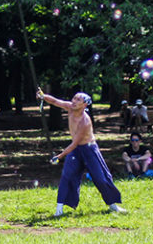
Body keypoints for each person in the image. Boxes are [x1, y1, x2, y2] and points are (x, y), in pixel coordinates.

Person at [37, 87, 125, 216]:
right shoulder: (70, 108)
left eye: (78, 99)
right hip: (76, 151)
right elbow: (55, 101)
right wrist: (43, 97)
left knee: (101, 178)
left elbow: (75, 143)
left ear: (85, 104)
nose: (74, 101)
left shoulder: (85, 121)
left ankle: (112, 205)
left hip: (89, 149)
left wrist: (59, 156)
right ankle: (59, 210)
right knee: (67, 176)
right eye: (74, 98)